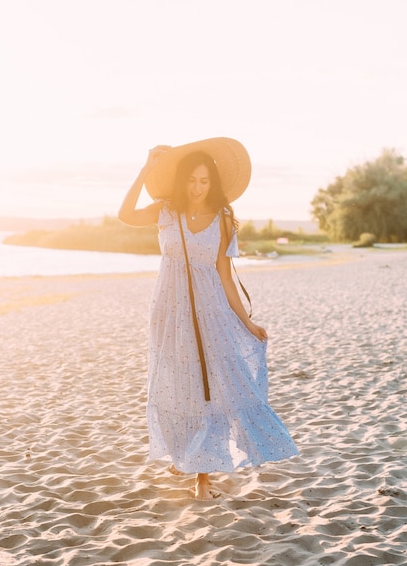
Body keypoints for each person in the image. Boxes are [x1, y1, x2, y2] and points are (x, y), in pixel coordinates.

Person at [118, 137, 298, 500]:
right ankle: (186, 456)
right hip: (170, 311)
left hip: (211, 311)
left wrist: (247, 322)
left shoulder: (224, 218)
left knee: (211, 387)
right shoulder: (166, 211)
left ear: (212, 183)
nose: (198, 188)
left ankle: (202, 474)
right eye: (191, 180)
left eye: (204, 181)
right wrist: (145, 169)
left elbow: (224, 274)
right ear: (182, 180)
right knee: (178, 385)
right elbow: (125, 215)